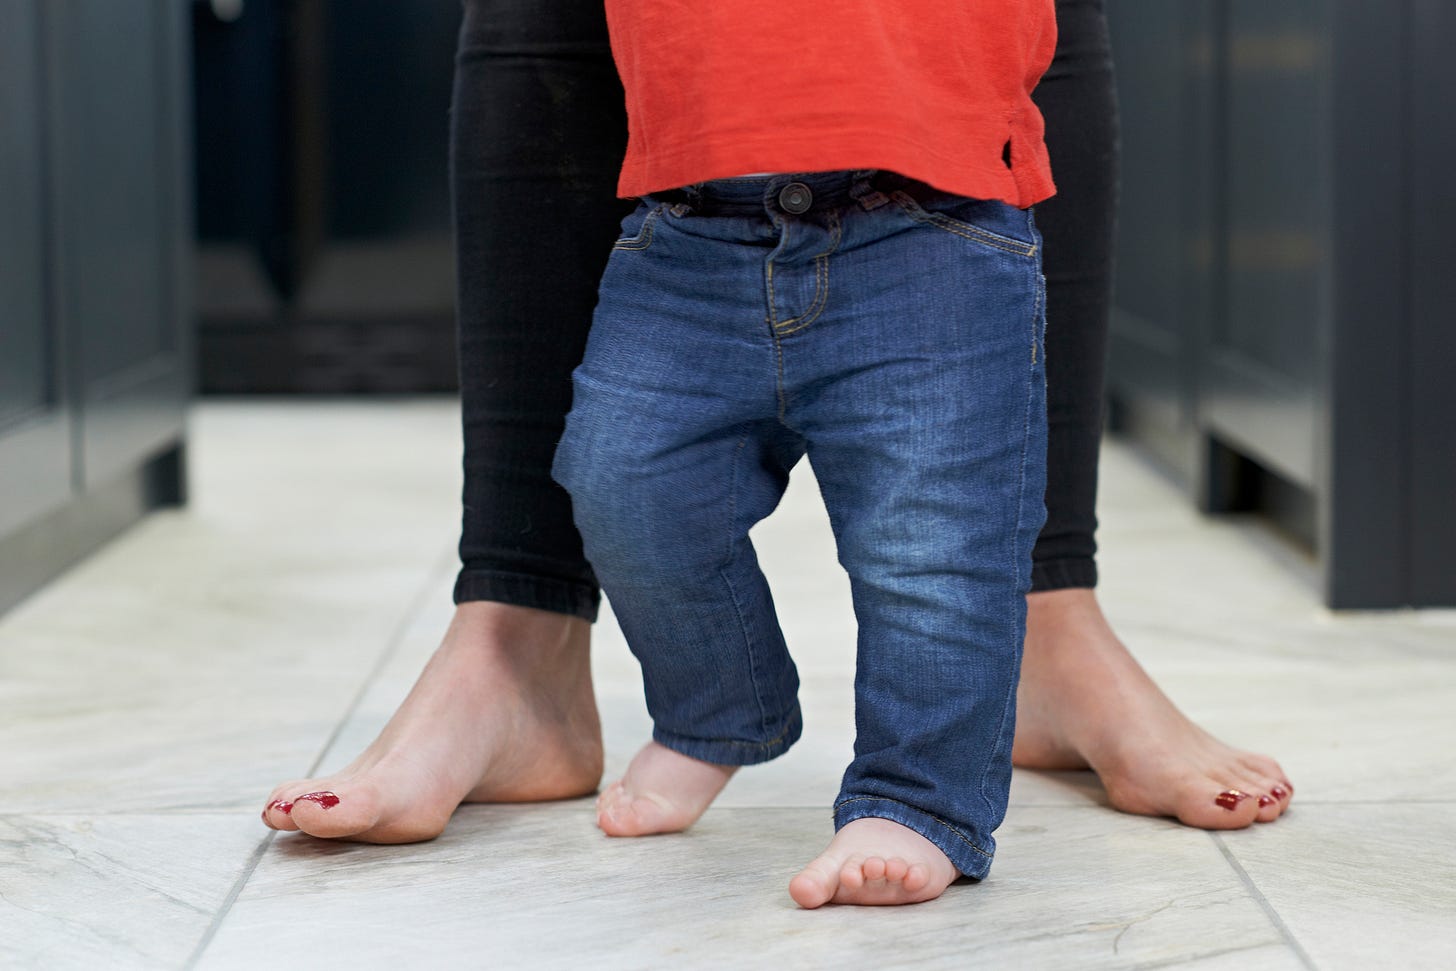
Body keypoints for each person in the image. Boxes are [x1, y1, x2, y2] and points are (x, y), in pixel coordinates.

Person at [261, 0, 1291, 851]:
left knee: (933, 546)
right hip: (688, 225)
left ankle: (920, 798)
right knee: (616, 473)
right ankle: (706, 707)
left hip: (934, 223)